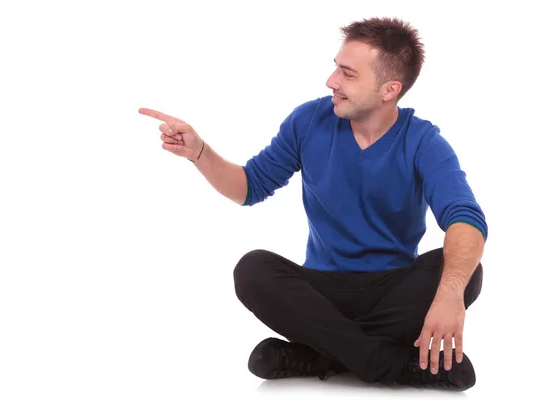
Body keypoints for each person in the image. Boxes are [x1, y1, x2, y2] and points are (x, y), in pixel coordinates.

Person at [139, 16, 487, 391]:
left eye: (348, 74)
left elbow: (465, 218)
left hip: (393, 291)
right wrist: (200, 153)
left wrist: (450, 295)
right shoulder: (309, 120)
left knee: (464, 271)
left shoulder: (423, 142)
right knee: (253, 269)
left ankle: (319, 355)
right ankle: (386, 363)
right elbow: (249, 187)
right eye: (336, 67)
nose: (332, 81)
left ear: (389, 89)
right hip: (322, 292)